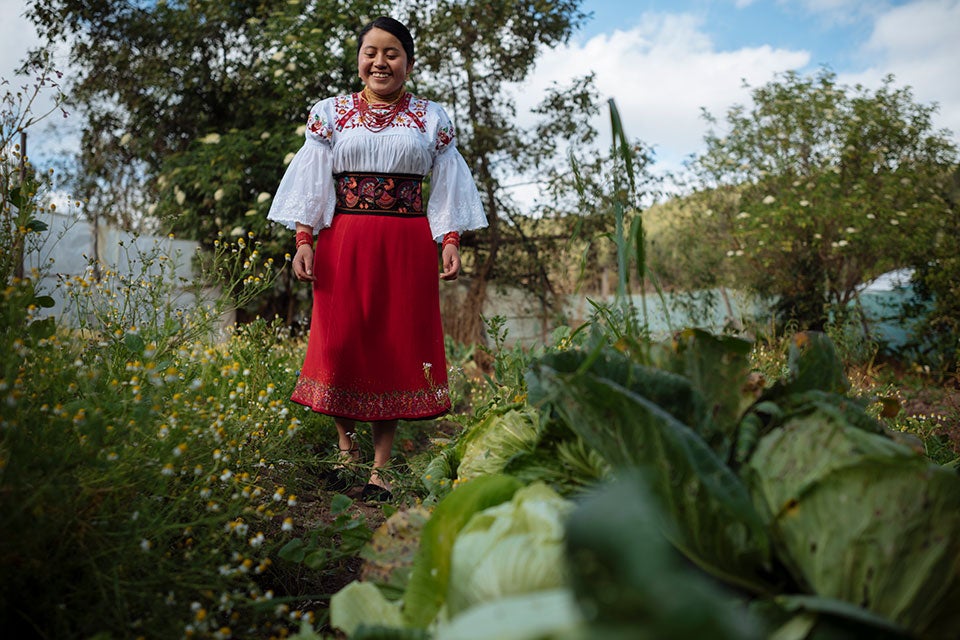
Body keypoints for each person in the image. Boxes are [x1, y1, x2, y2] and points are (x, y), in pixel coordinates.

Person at [267, 16, 487, 501]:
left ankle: (380, 469)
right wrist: (304, 238)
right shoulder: (330, 112)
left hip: (406, 244)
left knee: (392, 346)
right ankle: (346, 453)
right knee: (341, 342)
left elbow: (447, 184)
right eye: (371, 52)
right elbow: (312, 182)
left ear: (408, 61)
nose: (380, 62)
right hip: (343, 239)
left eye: (392, 53)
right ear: (359, 59)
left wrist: (449, 238)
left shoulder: (432, 117)